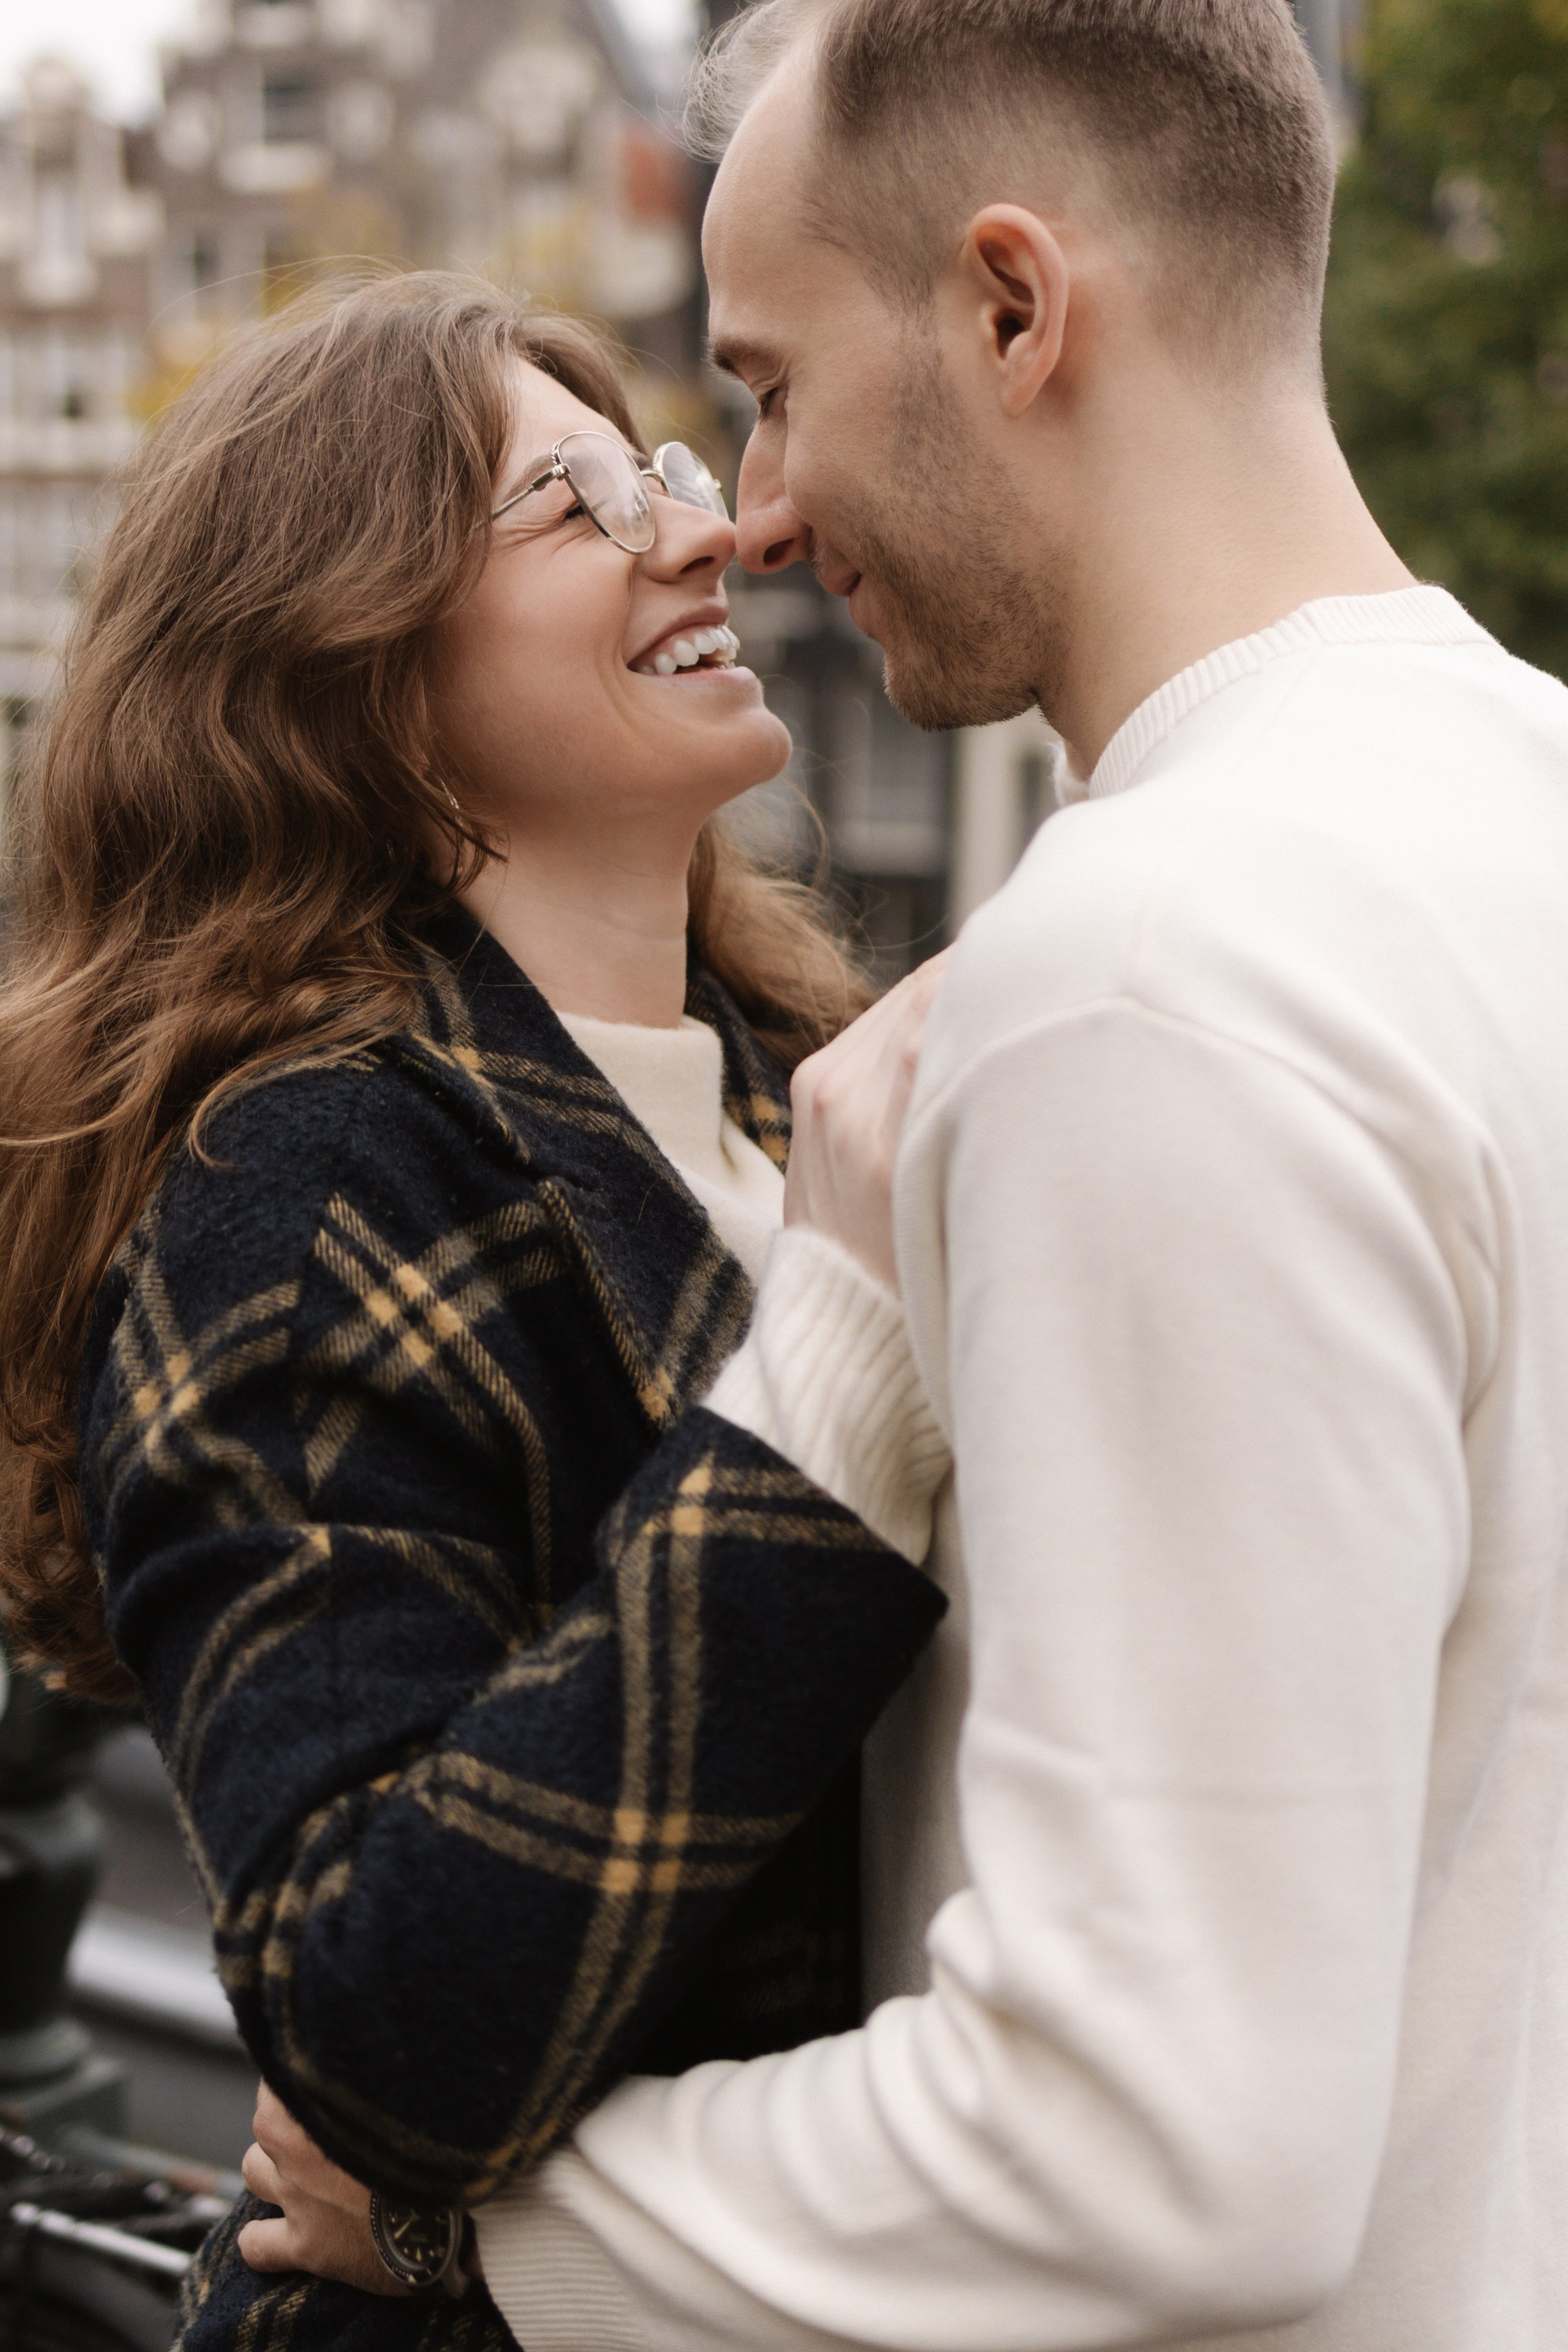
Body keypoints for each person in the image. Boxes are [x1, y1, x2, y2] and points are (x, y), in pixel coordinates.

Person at [246, 0, 1568, 2345]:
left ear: (1011, 306)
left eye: (762, 384)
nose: (746, 514)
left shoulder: (1140, 970)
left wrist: (487, 2231)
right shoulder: (1521, 811)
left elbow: (1151, 2147)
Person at [0, 270, 947, 2352]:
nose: (703, 532)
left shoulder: (812, 1091)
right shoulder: (309, 1180)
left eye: (669, 476)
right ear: (349, 668)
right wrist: (837, 1395)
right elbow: (373, 2024)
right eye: (573, 506)